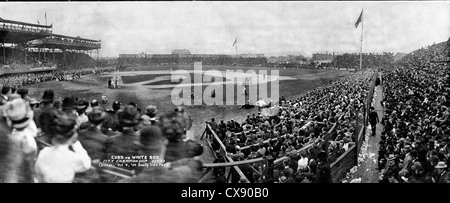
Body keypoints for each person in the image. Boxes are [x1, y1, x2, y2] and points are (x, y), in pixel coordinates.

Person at [119, 126, 203, 183]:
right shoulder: (180, 176)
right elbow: (195, 165)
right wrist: (170, 165)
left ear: (139, 147)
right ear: (163, 145)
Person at [34, 110, 92, 183]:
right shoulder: (72, 158)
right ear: (73, 135)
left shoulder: (44, 153)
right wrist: (76, 142)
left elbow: (38, 176)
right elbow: (86, 163)